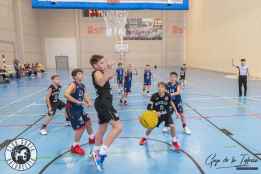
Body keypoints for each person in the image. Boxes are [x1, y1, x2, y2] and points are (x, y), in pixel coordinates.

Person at [90, 55, 122, 171]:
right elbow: (102, 82)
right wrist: (107, 69)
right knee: (118, 127)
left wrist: (108, 67)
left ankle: (95, 151)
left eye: (104, 62)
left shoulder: (101, 71)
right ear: (95, 65)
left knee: (102, 129)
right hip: (104, 103)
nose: (104, 64)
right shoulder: (96, 73)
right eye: (101, 63)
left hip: (103, 102)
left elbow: (111, 75)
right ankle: (102, 152)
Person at [139, 82, 181, 151]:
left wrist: (176, 112)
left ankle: (174, 141)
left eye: (161, 87)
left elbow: (171, 103)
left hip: (166, 114)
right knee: (150, 127)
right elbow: (149, 107)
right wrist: (155, 112)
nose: (159, 88)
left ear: (165, 89)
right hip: (156, 115)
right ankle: (144, 138)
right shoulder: (154, 96)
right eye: (159, 87)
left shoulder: (168, 95)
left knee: (172, 126)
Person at [64, 68, 95, 156]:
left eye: (82, 73)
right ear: (74, 76)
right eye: (79, 74)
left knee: (88, 122)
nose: (81, 75)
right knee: (81, 128)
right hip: (72, 109)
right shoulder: (73, 85)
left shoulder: (82, 85)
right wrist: (77, 101)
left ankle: (92, 137)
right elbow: (66, 94)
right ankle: (74, 146)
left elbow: (85, 95)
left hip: (80, 108)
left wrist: (89, 101)